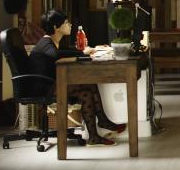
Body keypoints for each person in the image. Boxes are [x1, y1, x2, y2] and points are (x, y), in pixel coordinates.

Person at [29, 9, 126, 145]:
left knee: (89, 84)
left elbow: (62, 52)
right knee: (86, 92)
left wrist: (82, 52)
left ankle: (101, 124)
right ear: (56, 27)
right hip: (43, 87)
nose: (70, 25)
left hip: (50, 83)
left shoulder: (52, 42)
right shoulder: (46, 43)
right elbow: (56, 55)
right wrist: (82, 53)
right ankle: (96, 133)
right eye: (66, 22)